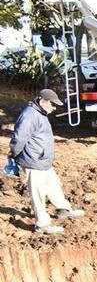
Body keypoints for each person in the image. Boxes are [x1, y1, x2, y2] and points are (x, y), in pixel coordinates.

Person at [9, 89, 85, 235]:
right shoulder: (29, 116)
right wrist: (14, 155)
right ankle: (42, 224)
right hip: (33, 161)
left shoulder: (40, 113)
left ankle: (63, 209)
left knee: (53, 184)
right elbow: (19, 139)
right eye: (52, 104)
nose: (54, 108)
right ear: (41, 101)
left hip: (43, 160)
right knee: (38, 193)